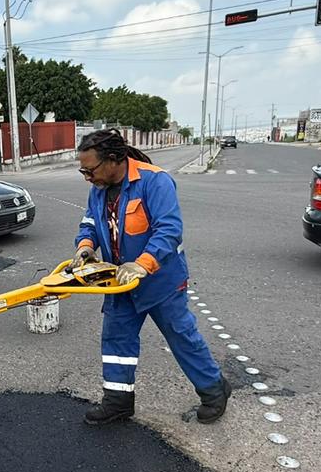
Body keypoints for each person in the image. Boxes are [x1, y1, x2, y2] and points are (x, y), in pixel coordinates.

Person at [73, 129, 230, 425]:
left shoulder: (154, 181)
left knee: (181, 336)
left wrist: (142, 265)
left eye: (89, 170)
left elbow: (168, 229)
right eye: (83, 170)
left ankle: (214, 390)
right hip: (120, 281)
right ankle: (118, 400)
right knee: (116, 340)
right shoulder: (98, 189)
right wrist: (85, 248)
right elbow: (90, 224)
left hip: (161, 282)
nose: (86, 176)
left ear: (112, 160)